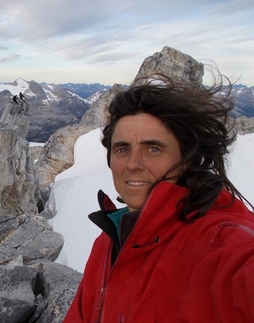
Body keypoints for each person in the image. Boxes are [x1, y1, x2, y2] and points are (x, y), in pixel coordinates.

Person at [63, 74, 254, 322]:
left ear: (188, 159)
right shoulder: (109, 240)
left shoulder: (225, 244)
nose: (132, 164)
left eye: (153, 149)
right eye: (122, 149)